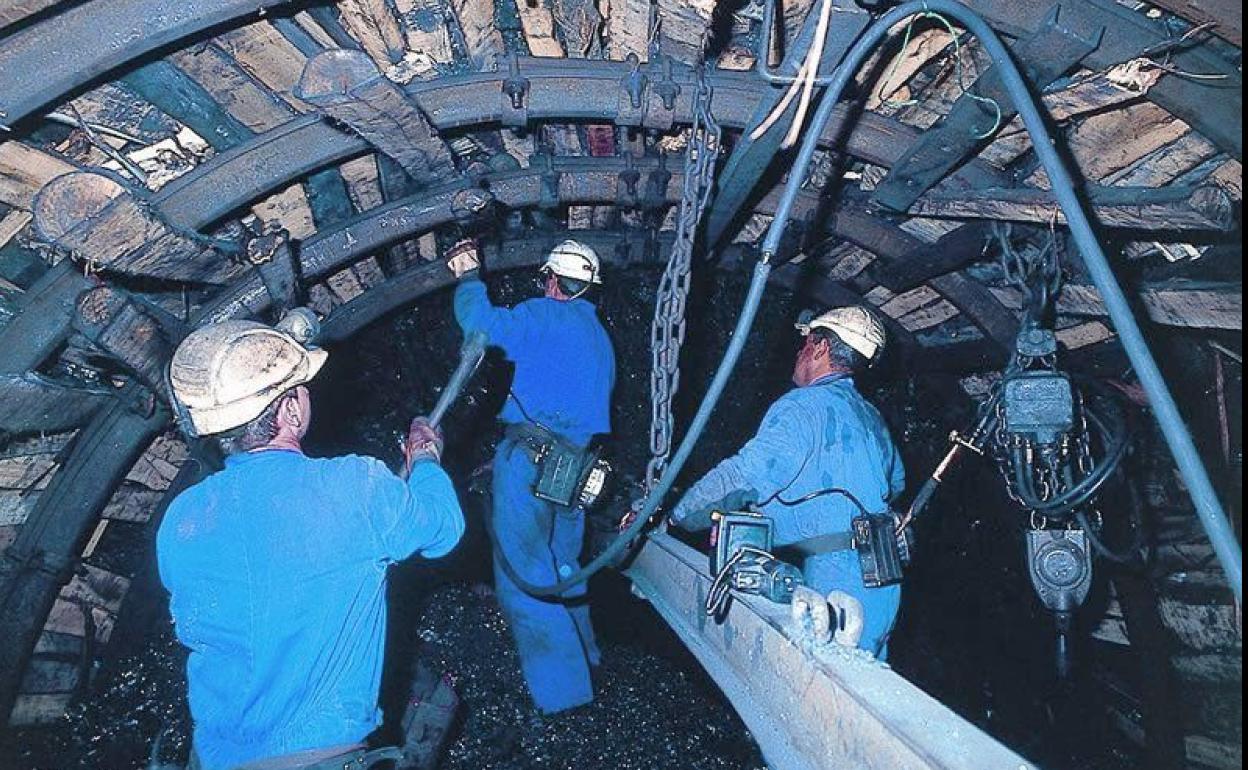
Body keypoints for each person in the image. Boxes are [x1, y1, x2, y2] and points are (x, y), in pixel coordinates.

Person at [157, 315, 465, 770]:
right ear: (290, 411)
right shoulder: (354, 486)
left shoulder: (181, 518)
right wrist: (425, 458)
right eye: (301, 389)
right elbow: (443, 530)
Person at [670, 306, 906, 659]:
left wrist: (679, 514)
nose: (798, 353)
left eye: (804, 342)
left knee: (824, 691)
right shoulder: (871, 416)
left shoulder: (802, 406)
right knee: (865, 675)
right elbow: (895, 483)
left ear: (820, 347)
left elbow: (742, 477)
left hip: (836, 578)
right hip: (882, 579)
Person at [446, 238, 616, 714]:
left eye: (546, 280)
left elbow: (482, 325)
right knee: (564, 564)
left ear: (554, 282)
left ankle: (564, 697)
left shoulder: (546, 315)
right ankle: (588, 659)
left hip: (530, 458)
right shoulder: (600, 338)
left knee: (525, 575)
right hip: (575, 466)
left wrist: (467, 277)